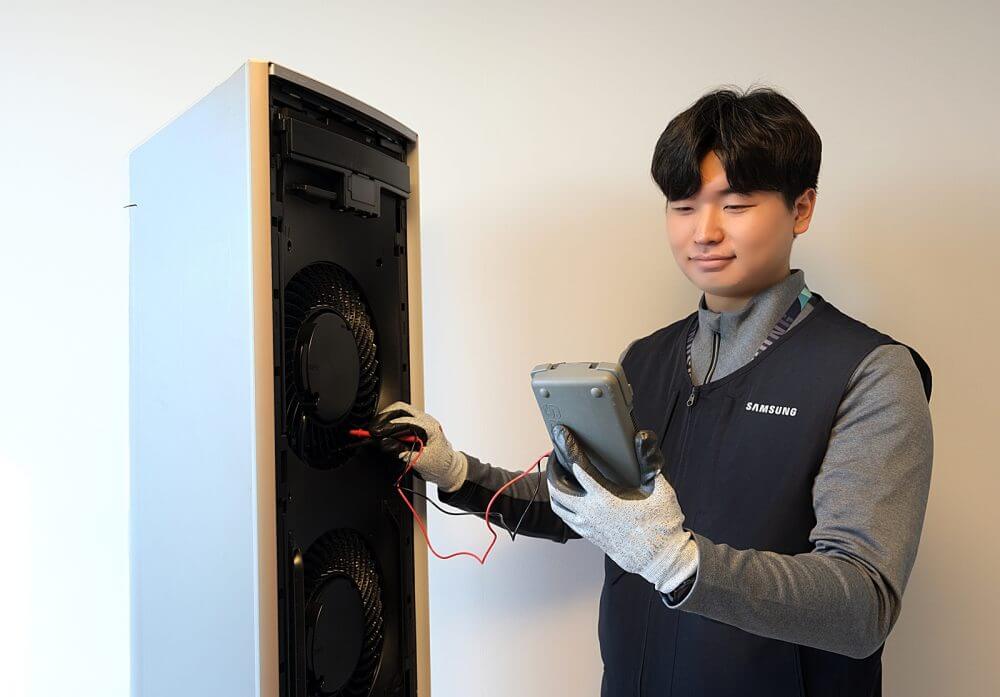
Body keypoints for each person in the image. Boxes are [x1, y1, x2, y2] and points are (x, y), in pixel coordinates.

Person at [369, 86, 934, 697]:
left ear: (802, 209)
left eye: (736, 204)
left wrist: (677, 561)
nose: (704, 232)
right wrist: (455, 473)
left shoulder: (870, 372)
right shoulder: (646, 360)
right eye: (683, 206)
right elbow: (588, 505)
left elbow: (862, 605)